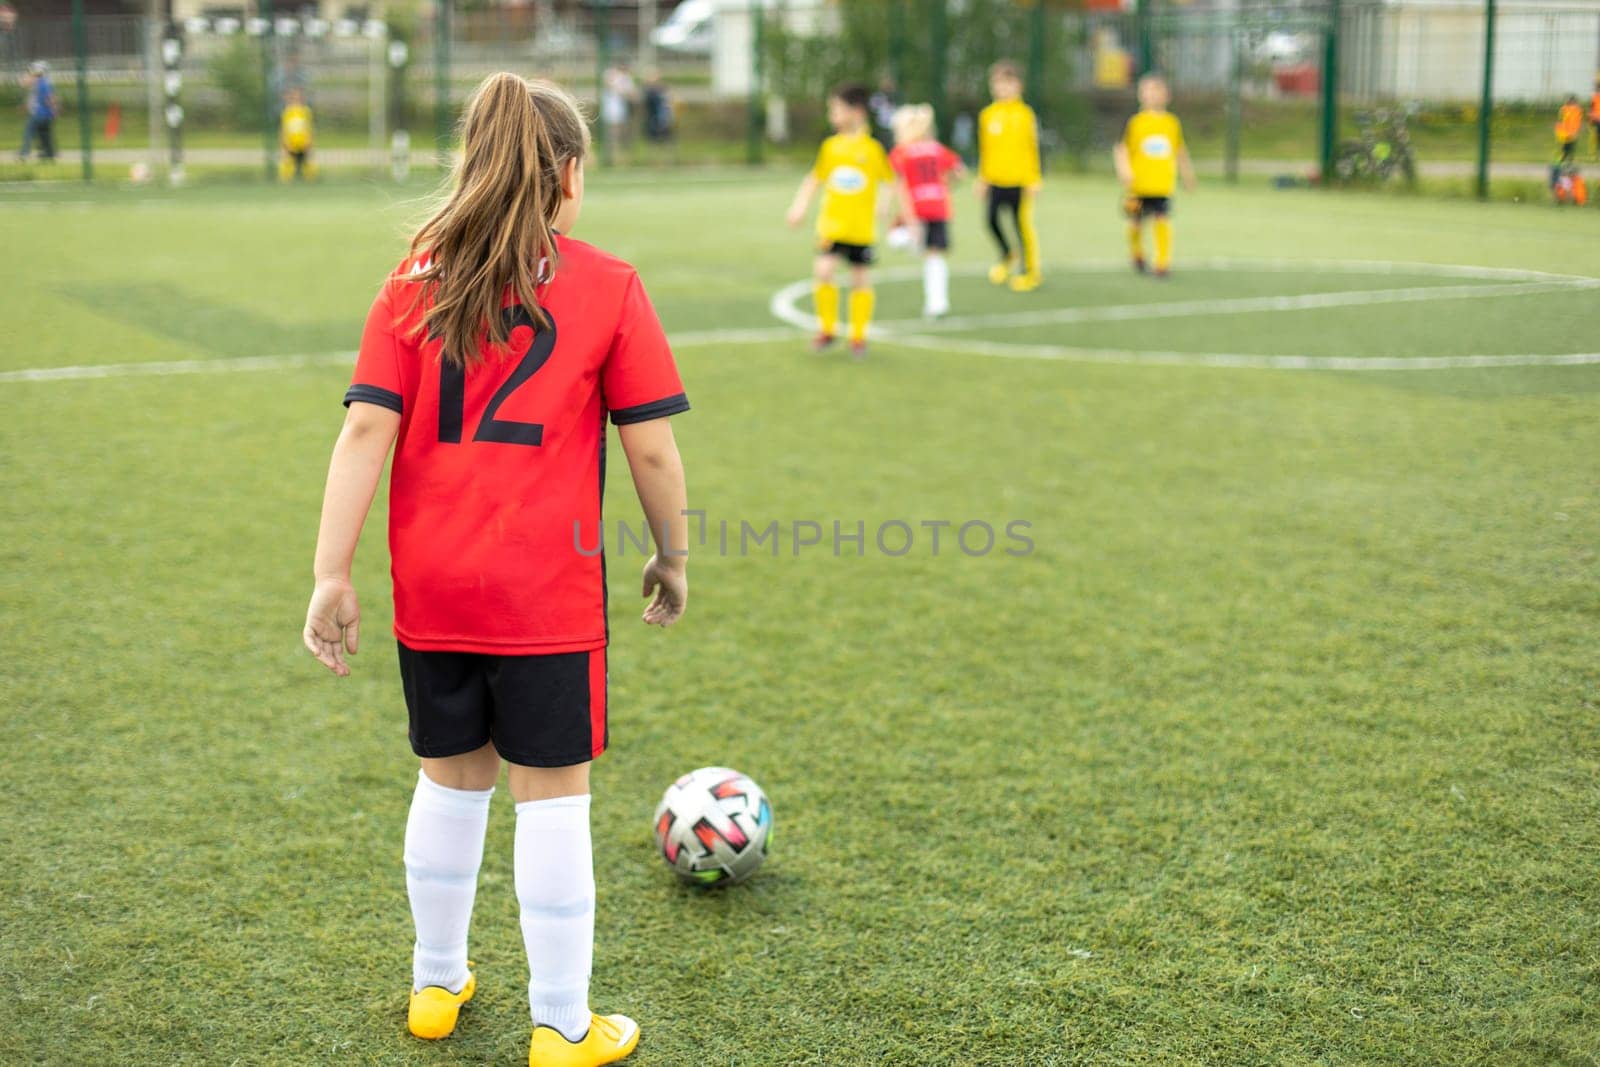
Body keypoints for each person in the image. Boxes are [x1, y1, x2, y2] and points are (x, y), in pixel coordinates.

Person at [302, 73, 691, 1067]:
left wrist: (330, 573)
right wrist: (671, 552)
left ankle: (436, 983)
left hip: (431, 587)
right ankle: (561, 1023)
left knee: (449, 779)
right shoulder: (606, 282)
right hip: (545, 595)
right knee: (551, 795)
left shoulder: (413, 277)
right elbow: (649, 449)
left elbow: (361, 430)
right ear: (565, 175)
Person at [785, 83, 894, 356]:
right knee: (823, 272)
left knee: (860, 280)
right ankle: (828, 330)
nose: (831, 115)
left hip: (860, 229)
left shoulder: (872, 148)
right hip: (831, 226)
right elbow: (815, 179)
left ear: (856, 112)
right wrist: (799, 206)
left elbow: (890, 181)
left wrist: (884, 204)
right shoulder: (831, 146)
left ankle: (858, 337)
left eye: (835, 109)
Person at [1113, 73, 1196, 278]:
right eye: (1148, 91)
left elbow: (1180, 151)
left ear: (1166, 95)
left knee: (1162, 220)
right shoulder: (1136, 122)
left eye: (1157, 91)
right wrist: (1124, 170)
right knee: (1135, 224)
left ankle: (1162, 263)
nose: (1152, 95)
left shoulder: (1171, 123)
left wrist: (1187, 176)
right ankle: (1137, 254)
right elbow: (1121, 149)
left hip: (1161, 185)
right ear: (1141, 95)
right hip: (1138, 186)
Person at [889, 103, 965, 318]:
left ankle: (912, 240)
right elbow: (960, 171)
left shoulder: (902, 152)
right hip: (938, 205)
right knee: (935, 255)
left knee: (898, 239)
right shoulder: (936, 148)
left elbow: (900, 186)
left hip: (917, 206)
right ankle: (937, 303)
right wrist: (945, 186)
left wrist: (910, 218)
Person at [975, 60, 1042, 292]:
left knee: (1022, 226)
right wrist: (983, 178)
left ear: (1018, 86)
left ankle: (1030, 271)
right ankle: (1007, 255)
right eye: (998, 83)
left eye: (1008, 83)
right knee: (991, 220)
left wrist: (1034, 179)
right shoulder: (988, 115)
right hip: (995, 179)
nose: (1002, 88)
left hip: (1020, 181)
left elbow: (1031, 148)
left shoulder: (1024, 115)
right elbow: (985, 150)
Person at [17, 60, 55, 163]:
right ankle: (49, 153)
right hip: (45, 114)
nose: (31, 74)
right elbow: (32, 96)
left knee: (29, 132)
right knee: (45, 134)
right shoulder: (45, 82)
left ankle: (24, 153)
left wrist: (54, 107)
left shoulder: (42, 83)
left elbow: (49, 98)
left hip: (39, 114)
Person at [278, 88, 316, 182]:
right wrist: (284, 143)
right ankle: (285, 182)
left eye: (298, 97)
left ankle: (310, 182)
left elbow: (309, 128)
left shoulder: (306, 111)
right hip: (290, 142)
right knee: (287, 163)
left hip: (303, 142)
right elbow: (283, 129)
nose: (296, 99)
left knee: (308, 163)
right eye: (293, 97)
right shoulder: (287, 112)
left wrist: (309, 141)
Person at [601, 65, 635, 164]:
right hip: (611, 112)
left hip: (621, 112)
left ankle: (619, 155)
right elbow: (608, 84)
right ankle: (612, 156)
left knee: (620, 134)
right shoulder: (611, 76)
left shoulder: (624, 79)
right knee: (612, 134)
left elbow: (631, 93)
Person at [1556, 94, 1583, 165]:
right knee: (1565, 145)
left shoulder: (1578, 109)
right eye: (1569, 100)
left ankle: (1570, 159)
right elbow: (1560, 119)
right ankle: (1563, 158)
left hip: (1573, 131)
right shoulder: (1564, 109)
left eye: (1572, 100)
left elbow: (1578, 120)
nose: (1570, 101)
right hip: (1565, 131)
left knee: (1572, 145)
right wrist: (1559, 129)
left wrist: (1577, 130)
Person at [1589, 77, 1600, 159]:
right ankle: (1594, 153)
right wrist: (1591, 118)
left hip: (1596, 119)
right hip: (1596, 119)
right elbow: (1592, 108)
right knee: (1595, 137)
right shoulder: (1594, 97)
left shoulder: (1594, 96)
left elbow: (1591, 108)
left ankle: (1594, 153)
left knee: (1595, 137)